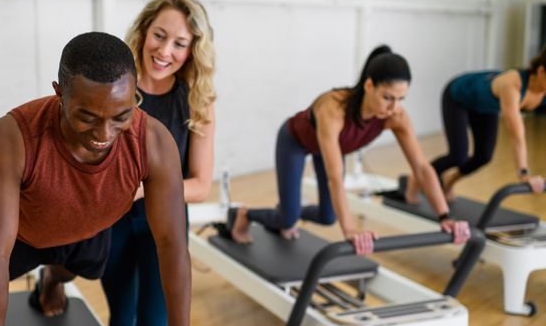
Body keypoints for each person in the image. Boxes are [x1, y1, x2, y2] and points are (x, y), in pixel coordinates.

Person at [0, 32, 196, 326]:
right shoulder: (11, 137)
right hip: (23, 237)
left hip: (88, 231)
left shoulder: (153, 140)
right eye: (87, 116)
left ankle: (52, 279)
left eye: (120, 116)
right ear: (59, 94)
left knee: (66, 276)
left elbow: (170, 242)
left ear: (135, 95)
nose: (104, 134)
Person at [228, 45, 470, 255]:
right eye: (388, 97)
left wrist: (444, 216)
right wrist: (351, 230)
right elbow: (335, 178)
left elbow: (421, 167)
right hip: (294, 141)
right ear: (369, 85)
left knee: (327, 216)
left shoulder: (396, 117)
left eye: (401, 99)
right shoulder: (334, 108)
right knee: (288, 219)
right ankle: (245, 214)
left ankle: (287, 211)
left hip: (330, 149)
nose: (395, 107)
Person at [100, 0, 215, 326]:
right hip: (114, 222)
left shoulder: (197, 100)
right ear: (144, 32)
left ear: (192, 49)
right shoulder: (116, 85)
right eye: (159, 36)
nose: (165, 51)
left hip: (163, 227)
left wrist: (145, 189)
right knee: (121, 320)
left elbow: (201, 184)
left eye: (179, 43)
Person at [404, 46, 546, 202]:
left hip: (485, 107)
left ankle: (449, 181)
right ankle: (416, 178)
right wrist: (524, 174)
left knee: (483, 156)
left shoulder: (541, 90)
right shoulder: (512, 85)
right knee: (458, 156)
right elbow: (516, 133)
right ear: (541, 71)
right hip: (458, 95)